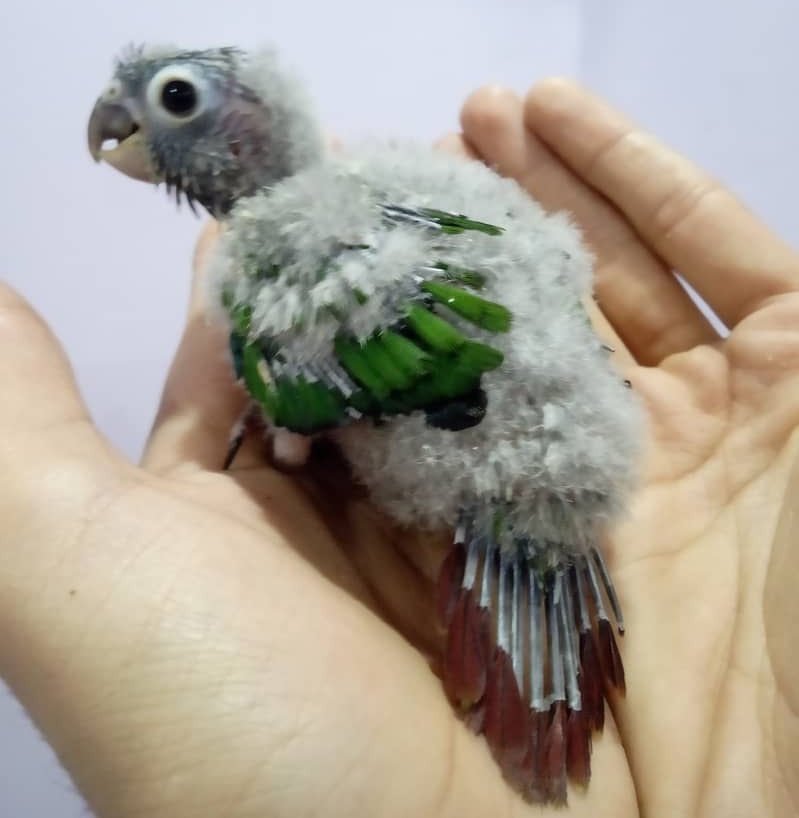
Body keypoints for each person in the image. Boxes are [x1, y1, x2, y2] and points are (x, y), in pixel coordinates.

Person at [0, 78, 797, 818]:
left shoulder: (283, 262)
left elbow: (438, 341)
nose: (124, 113)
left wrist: (290, 397)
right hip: (539, 420)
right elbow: (531, 268)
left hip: (497, 458)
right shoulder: (388, 199)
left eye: (177, 98)